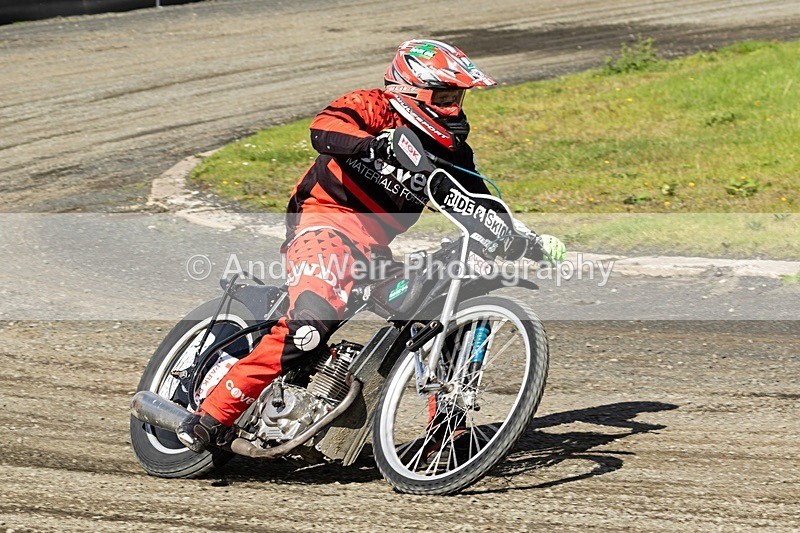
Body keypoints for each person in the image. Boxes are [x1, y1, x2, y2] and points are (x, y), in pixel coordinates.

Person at [176, 39, 560, 452]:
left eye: (457, 97)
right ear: (412, 91)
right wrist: (374, 144)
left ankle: (447, 428)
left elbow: (483, 206)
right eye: (443, 96)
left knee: (437, 307)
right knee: (309, 327)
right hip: (323, 224)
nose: (453, 108)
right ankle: (210, 417)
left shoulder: (453, 151)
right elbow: (323, 129)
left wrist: (525, 239)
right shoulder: (375, 105)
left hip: (374, 252)